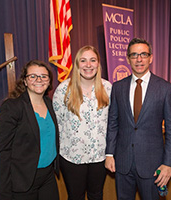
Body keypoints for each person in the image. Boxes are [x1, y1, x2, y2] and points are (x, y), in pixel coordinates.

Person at [105, 38, 171, 200]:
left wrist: (168, 164)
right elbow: (113, 123)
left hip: (153, 165)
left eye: (143, 54)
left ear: (151, 58)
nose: (139, 59)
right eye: (134, 55)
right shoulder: (118, 87)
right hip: (122, 163)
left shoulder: (165, 88)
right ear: (128, 59)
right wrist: (109, 153)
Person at [53, 45, 112, 200]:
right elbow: (57, 124)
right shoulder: (63, 89)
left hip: (99, 157)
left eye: (92, 60)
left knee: (96, 195)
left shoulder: (108, 88)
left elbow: (113, 123)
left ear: (98, 64)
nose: (88, 65)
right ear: (77, 64)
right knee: (75, 196)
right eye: (83, 60)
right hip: (72, 157)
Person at [0, 60, 59, 200]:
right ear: (24, 81)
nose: (39, 80)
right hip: (23, 179)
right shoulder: (12, 107)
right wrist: (2, 191)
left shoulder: (50, 103)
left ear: (49, 81)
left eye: (43, 76)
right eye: (33, 76)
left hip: (48, 176)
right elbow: (2, 152)